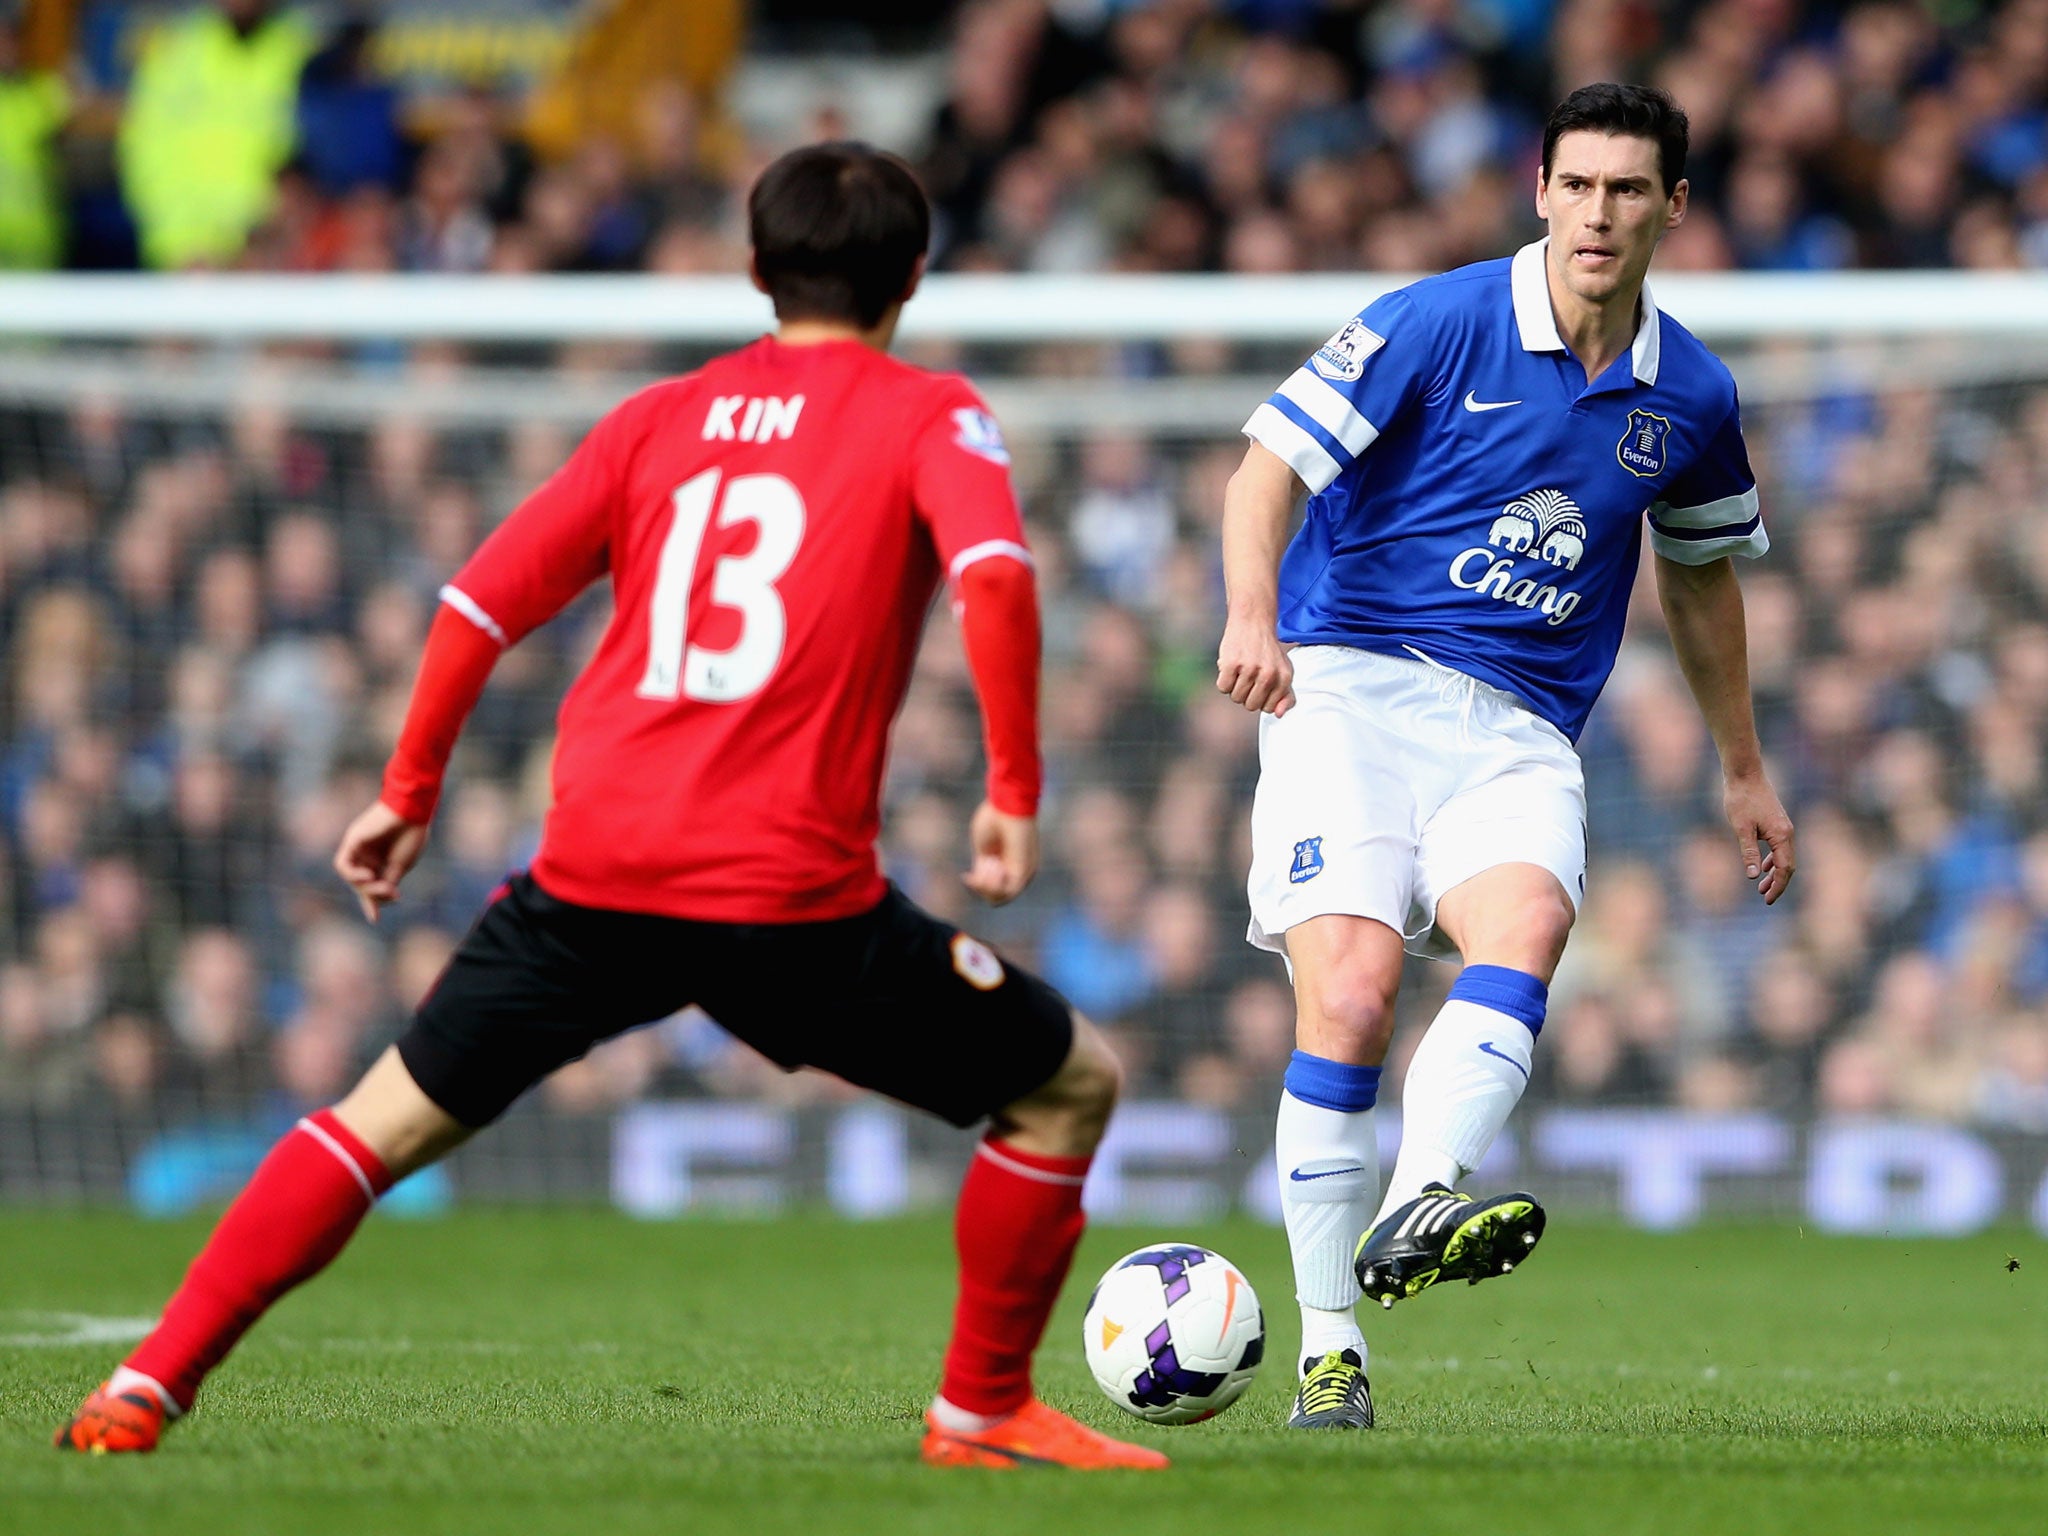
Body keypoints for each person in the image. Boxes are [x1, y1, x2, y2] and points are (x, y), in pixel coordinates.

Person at [57, 142, 1165, 1473]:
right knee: (1067, 1088)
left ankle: (145, 1383)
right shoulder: (930, 414)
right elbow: (994, 573)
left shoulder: (659, 418)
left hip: (591, 873)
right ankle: (980, 1412)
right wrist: (1011, 790)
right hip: (784, 901)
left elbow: (479, 598)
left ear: (756, 274)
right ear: (914, 277)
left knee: (378, 1123)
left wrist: (407, 789)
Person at [1214, 83, 1795, 1430]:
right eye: (1579, 185)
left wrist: (1744, 766)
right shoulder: (1435, 320)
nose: (1600, 214)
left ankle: (1423, 1194)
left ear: (1674, 209)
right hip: (1350, 688)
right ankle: (1329, 1348)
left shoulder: (1692, 392)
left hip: (1522, 728)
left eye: (1629, 190)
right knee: (1351, 997)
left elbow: (1702, 581)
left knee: (1525, 924)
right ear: (1541, 189)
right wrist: (1251, 614)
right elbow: (1265, 469)